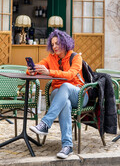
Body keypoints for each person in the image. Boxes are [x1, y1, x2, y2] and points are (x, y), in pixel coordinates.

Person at [27, 29, 89, 159]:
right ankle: (67, 147)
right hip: (59, 95)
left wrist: (49, 72)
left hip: (79, 94)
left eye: (57, 43)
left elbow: (70, 75)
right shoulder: (51, 58)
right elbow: (38, 66)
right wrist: (32, 70)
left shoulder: (76, 57)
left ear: (65, 43)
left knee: (65, 86)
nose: (54, 47)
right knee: (64, 103)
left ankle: (45, 123)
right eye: (52, 44)